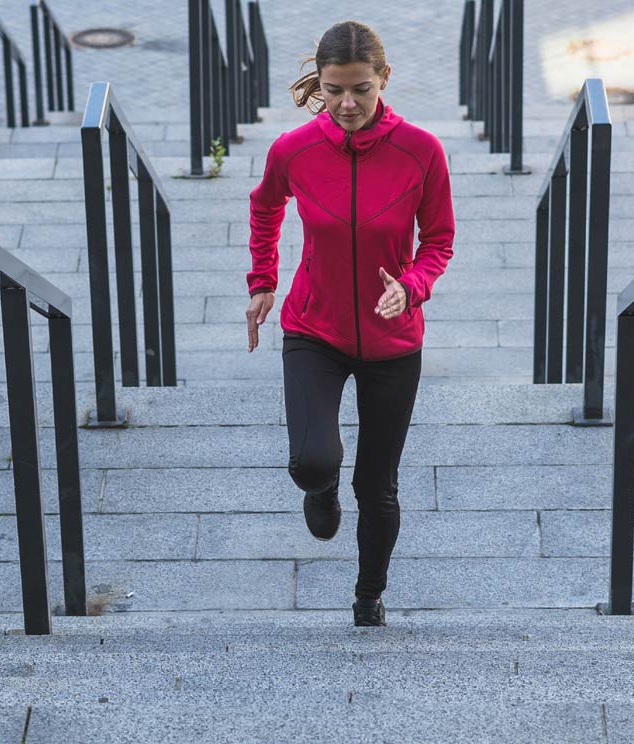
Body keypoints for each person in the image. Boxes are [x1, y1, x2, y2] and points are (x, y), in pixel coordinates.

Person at [244, 20, 455, 627]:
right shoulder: (294, 149)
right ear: (320, 82)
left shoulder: (422, 151)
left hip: (393, 342)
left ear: (384, 80)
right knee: (311, 460)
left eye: (360, 89)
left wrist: (411, 289)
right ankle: (320, 488)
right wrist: (263, 282)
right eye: (334, 89)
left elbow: (439, 242)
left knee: (378, 487)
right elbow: (264, 207)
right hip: (315, 329)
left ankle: (368, 595)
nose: (346, 104)